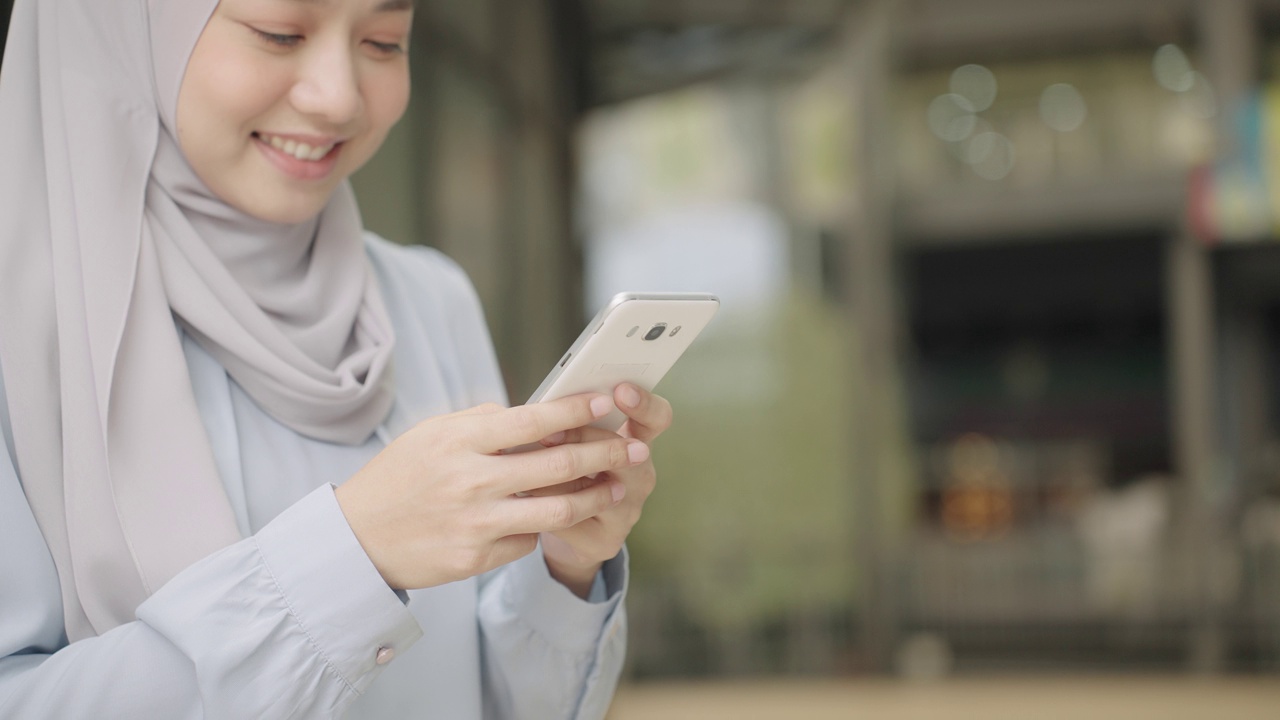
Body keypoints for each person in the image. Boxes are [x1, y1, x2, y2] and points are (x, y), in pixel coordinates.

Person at [0, 0, 671, 717]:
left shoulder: (428, 300)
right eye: (279, 33)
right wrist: (352, 556)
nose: (340, 97)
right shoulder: (22, 329)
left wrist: (564, 567)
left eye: (384, 43)